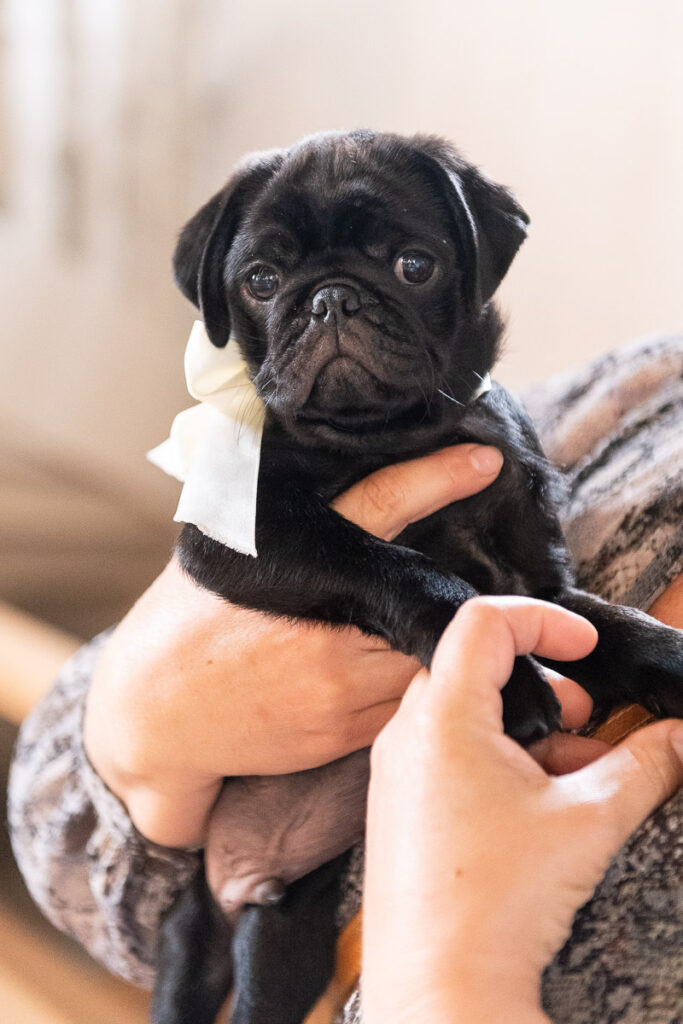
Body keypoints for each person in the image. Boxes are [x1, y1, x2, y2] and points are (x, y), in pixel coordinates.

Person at [8, 334, 683, 1023]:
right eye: (265, 283)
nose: (334, 315)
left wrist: (452, 980)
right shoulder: (644, 388)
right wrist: (136, 721)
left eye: (410, 275)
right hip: (222, 877)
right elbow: (61, 827)